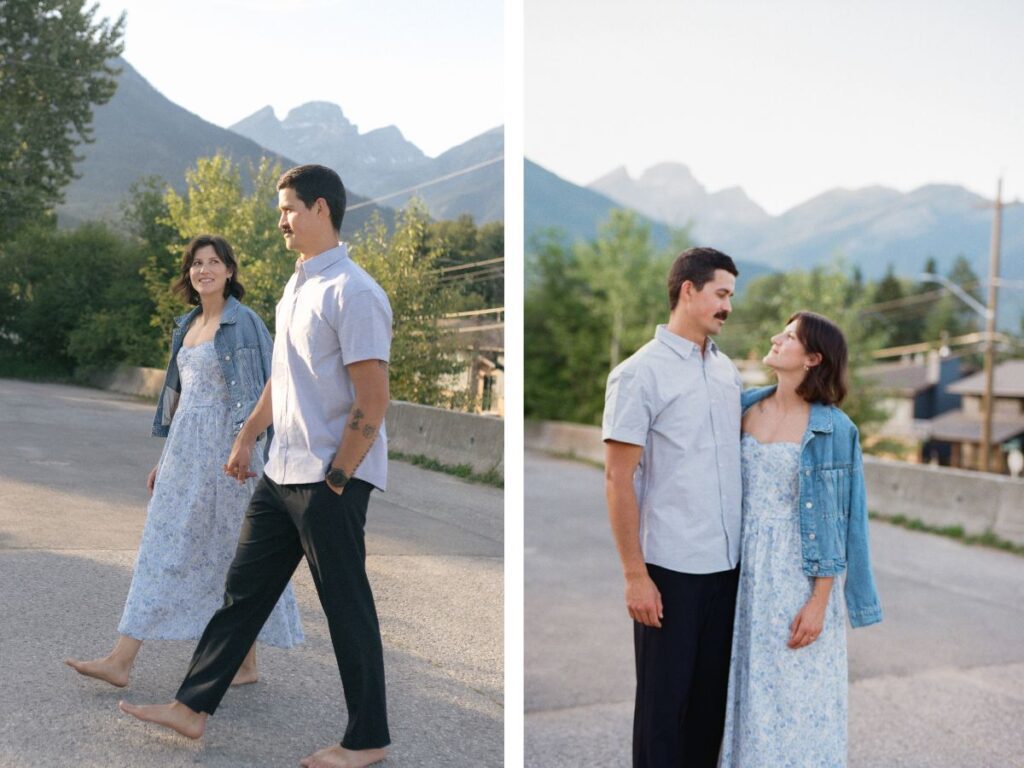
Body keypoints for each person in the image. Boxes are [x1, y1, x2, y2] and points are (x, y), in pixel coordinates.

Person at [118, 164, 393, 768]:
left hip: (329, 480)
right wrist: (247, 438)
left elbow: (373, 398)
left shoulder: (355, 291)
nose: (282, 220)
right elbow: (282, 377)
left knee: (346, 604)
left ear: (321, 209)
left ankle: (367, 737)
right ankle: (192, 707)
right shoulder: (297, 287)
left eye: (289, 209)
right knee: (243, 593)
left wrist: (338, 479)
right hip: (282, 470)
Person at [65, 234, 303, 687]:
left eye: (214, 262)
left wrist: (249, 444)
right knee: (162, 547)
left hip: (231, 456)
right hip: (185, 455)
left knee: (235, 556)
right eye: (196, 263)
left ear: (230, 271)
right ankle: (121, 659)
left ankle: (246, 664)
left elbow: (266, 390)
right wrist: (165, 457)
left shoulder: (246, 323)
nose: (204, 269)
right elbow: (182, 402)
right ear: (188, 275)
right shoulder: (187, 325)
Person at [718, 311, 883, 768]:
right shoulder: (742, 407)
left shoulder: (834, 429)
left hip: (798, 575)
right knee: (745, 690)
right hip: (740, 571)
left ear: (813, 358)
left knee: (795, 697)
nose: (775, 338)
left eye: (789, 337)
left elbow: (842, 522)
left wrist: (819, 601)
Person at [603, 247, 743, 768]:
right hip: (670, 570)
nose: (728, 306)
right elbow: (618, 478)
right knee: (663, 711)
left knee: (709, 710)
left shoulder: (727, 372)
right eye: (721, 294)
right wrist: (634, 575)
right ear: (689, 289)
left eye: (731, 296)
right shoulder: (639, 373)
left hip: (726, 569)